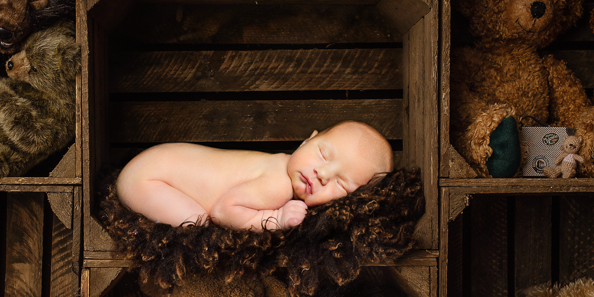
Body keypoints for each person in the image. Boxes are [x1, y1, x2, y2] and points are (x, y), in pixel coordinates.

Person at [116, 121, 393, 232]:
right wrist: (277, 220)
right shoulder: (279, 184)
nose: (322, 174)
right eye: (323, 154)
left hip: (154, 163)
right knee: (198, 224)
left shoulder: (278, 166)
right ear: (306, 141)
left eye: (340, 183)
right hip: (148, 179)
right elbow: (224, 211)